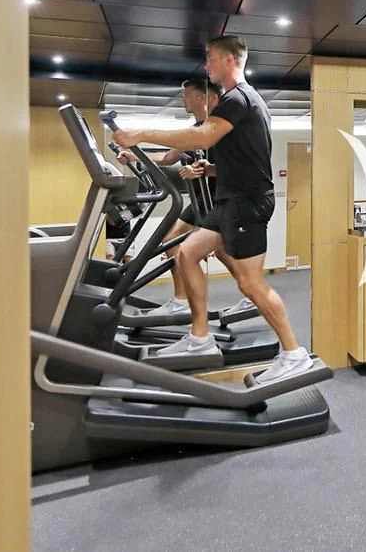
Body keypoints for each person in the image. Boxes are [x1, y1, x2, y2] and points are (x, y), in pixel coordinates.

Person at [112, 35, 311, 384]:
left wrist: (140, 133)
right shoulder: (243, 102)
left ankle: (294, 353)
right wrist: (213, 170)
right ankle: (200, 337)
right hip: (231, 197)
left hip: (247, 202)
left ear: (229, 61)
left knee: (250, 285)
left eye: (210, 60)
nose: (206, 67)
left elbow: (202, 138)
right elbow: (244, 156)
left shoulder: (238, 98)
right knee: (185, 253)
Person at [117, 79, 255, 320]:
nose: (183, 99)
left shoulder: (222, 130)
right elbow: (169, 157)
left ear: (203, 97)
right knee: (177, 243)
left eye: (187, 94)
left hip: (220, 197)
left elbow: (239, 167)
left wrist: (201, 170)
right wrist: (135, 157)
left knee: (202, 248)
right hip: (200, 197)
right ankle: (186, 300)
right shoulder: (195, 129)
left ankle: (241, 296)